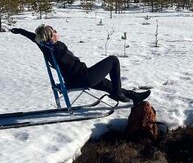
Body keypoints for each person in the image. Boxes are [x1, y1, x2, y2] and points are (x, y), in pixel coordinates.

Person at [10, 24, 150, 105]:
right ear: (51, 36)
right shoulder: (58, 48)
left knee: (106, 84)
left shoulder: (44, 46)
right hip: (84, 78)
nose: (57, 33)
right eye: (54, 32)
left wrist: (20, 31)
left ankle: (133, 96)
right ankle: (118, 93)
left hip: (75, 78)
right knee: (113, 60)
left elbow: (33, 37)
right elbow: (58, 46)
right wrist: (54, 41)